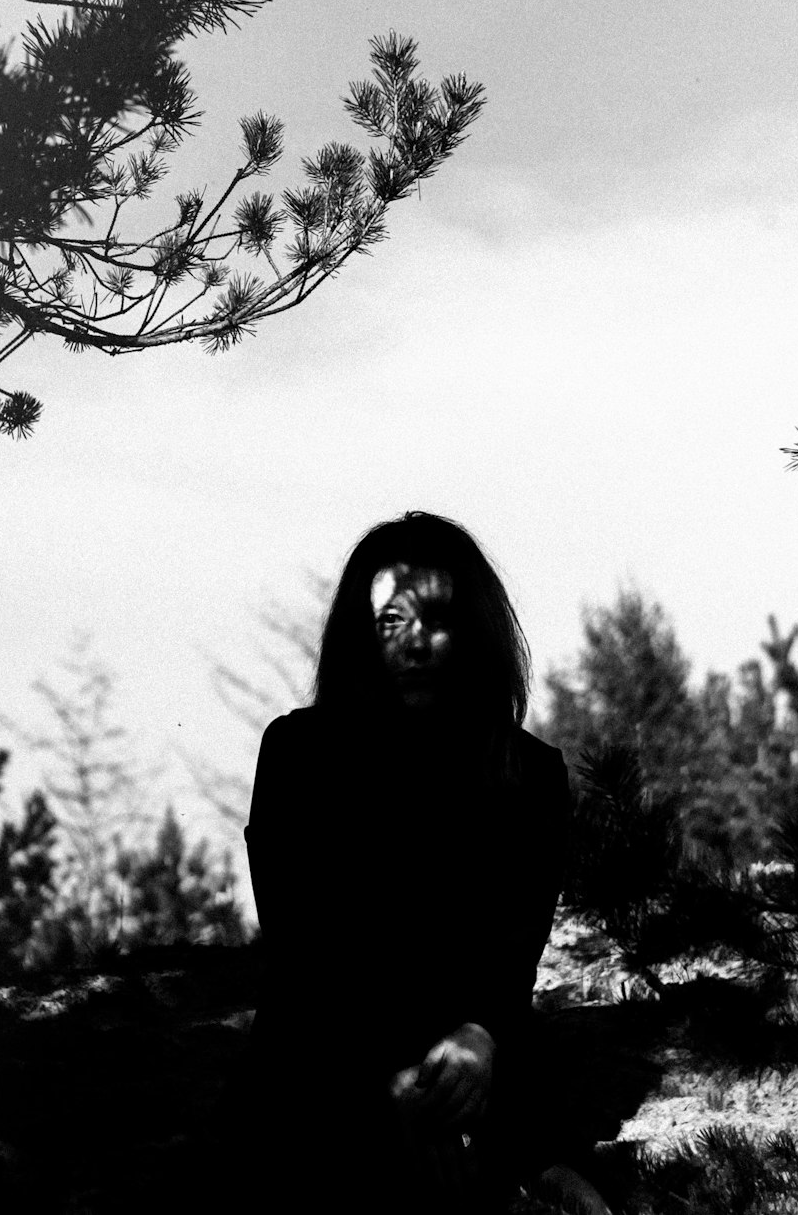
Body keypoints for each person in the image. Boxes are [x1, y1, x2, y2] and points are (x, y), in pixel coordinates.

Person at [242, 512, 613, 1211]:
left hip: (471, 1075)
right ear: (360, 634)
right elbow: (303, 953)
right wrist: (394, 1082)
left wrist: (479, 1038)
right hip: (325, 1073)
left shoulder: (530, 775)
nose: (415, 644)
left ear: (474, 631)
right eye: (389, 622)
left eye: (436, 619)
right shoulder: (298, 755)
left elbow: (509, 963)